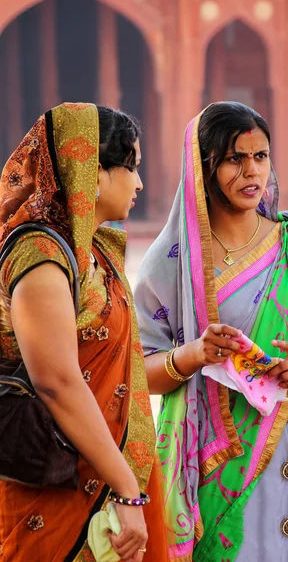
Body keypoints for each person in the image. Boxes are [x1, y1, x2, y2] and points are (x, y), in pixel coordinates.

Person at [134, 102, 288, 561]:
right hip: (219, 463)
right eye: (235, 158)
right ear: (204, 167)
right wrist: (193, 355)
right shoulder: (172, 263)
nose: (251, 171)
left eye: (261, 156)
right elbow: (139, 372)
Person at [0, 103, 168, 562]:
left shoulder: (93, 251)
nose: (139, 183)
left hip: (103, 471)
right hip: (58, 484)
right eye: (130, 167)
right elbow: (57, 381)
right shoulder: (40, 255)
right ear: (92, 173)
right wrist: (126, 489)